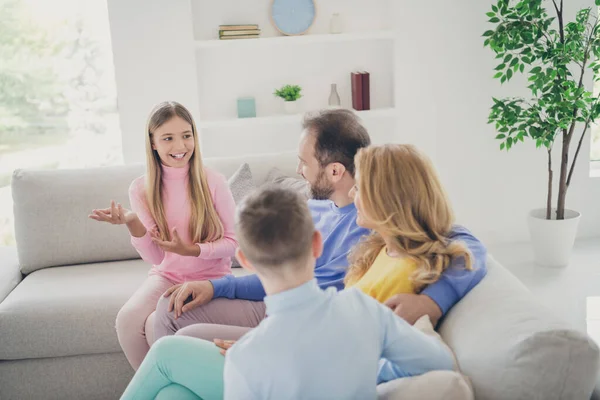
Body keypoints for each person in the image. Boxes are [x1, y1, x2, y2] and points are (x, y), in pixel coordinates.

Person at [153, 109, 487, 343]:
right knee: (165, 314)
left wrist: (435, 300)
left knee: (174, 333)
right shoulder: (317, 206)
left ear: (335, 171)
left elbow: (462, 240)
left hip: (298, 324)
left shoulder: (379, 220)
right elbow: (281, 271)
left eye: (304, 162)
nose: (298, 170)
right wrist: (216, 286)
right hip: (280, 307)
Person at [120, 186, 455, 400]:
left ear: (245, 261)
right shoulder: (365, 311)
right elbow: (439, 362)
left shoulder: (248, 357)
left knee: (167, 365)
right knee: (172, 395)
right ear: (316, 244)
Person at [89, 101, 237, 370]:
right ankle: (155, 389)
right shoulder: (141, 189)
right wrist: (132, 222)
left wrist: (193, 250)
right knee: (127, 320)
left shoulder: (213, 181)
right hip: (167, 276)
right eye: (168, 138)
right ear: (153, 143)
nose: (180, 146)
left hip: (211, 279)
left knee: (153, 323)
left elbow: (234, 243)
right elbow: (156, 257)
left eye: (186, 136)